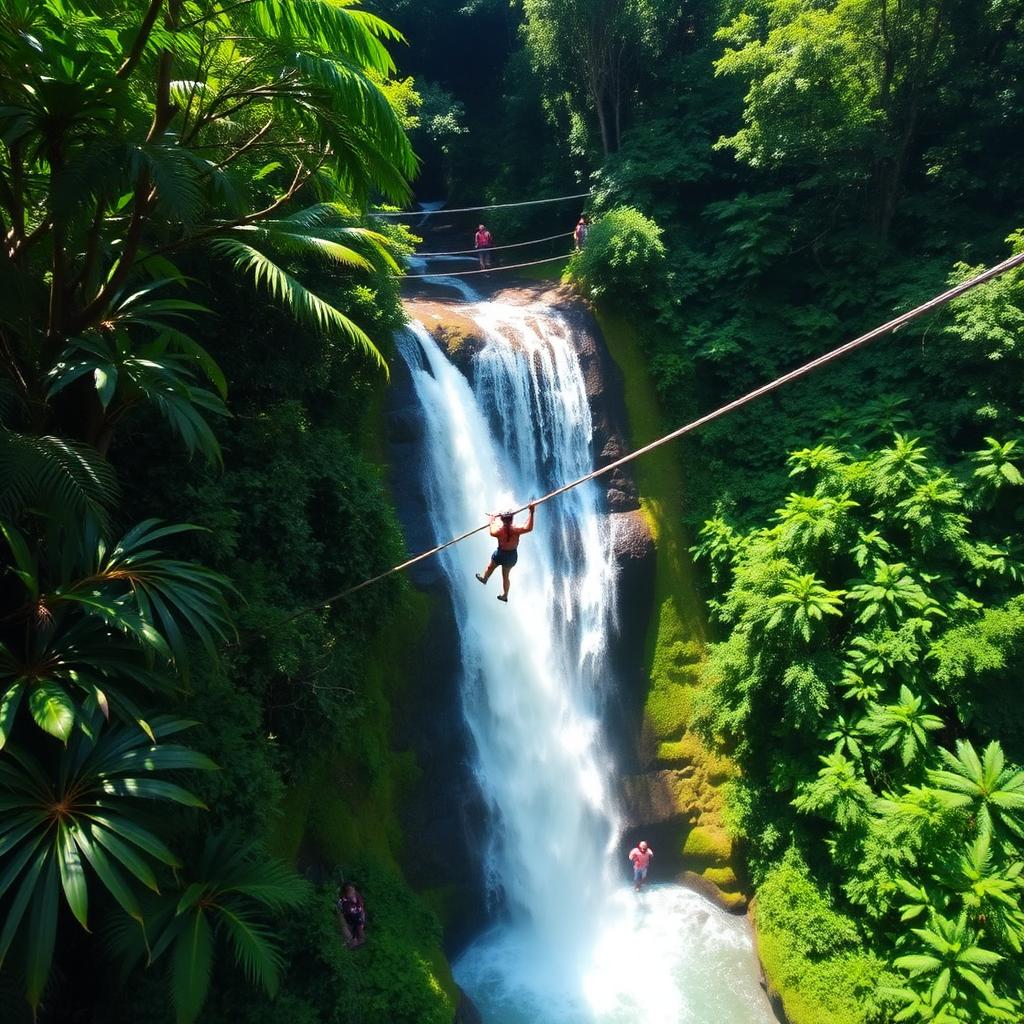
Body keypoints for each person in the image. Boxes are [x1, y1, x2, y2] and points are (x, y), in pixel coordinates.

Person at [475, 503, 536, 602]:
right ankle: (505, 595)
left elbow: (492, 532)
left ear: (501, 519)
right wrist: (531, 512)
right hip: (511, 556)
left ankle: (484, 578)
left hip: (501, 554)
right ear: (512, 519)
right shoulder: (516, 529)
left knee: (491, 567)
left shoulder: (499, 530)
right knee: (505, 576)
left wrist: (491, 520)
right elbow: (528, 528)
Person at [337, 882, 367, 948]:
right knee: (355, 924)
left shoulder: (357, 897)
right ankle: (353, 941)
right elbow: (342, 909)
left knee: (359, 924)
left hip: (357, 916)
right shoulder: (343, 900)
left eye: (353, 889)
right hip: (350, 916)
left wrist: (362, 919)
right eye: (350, 890)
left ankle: (358, 940)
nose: (352, 891)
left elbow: (362, 908)